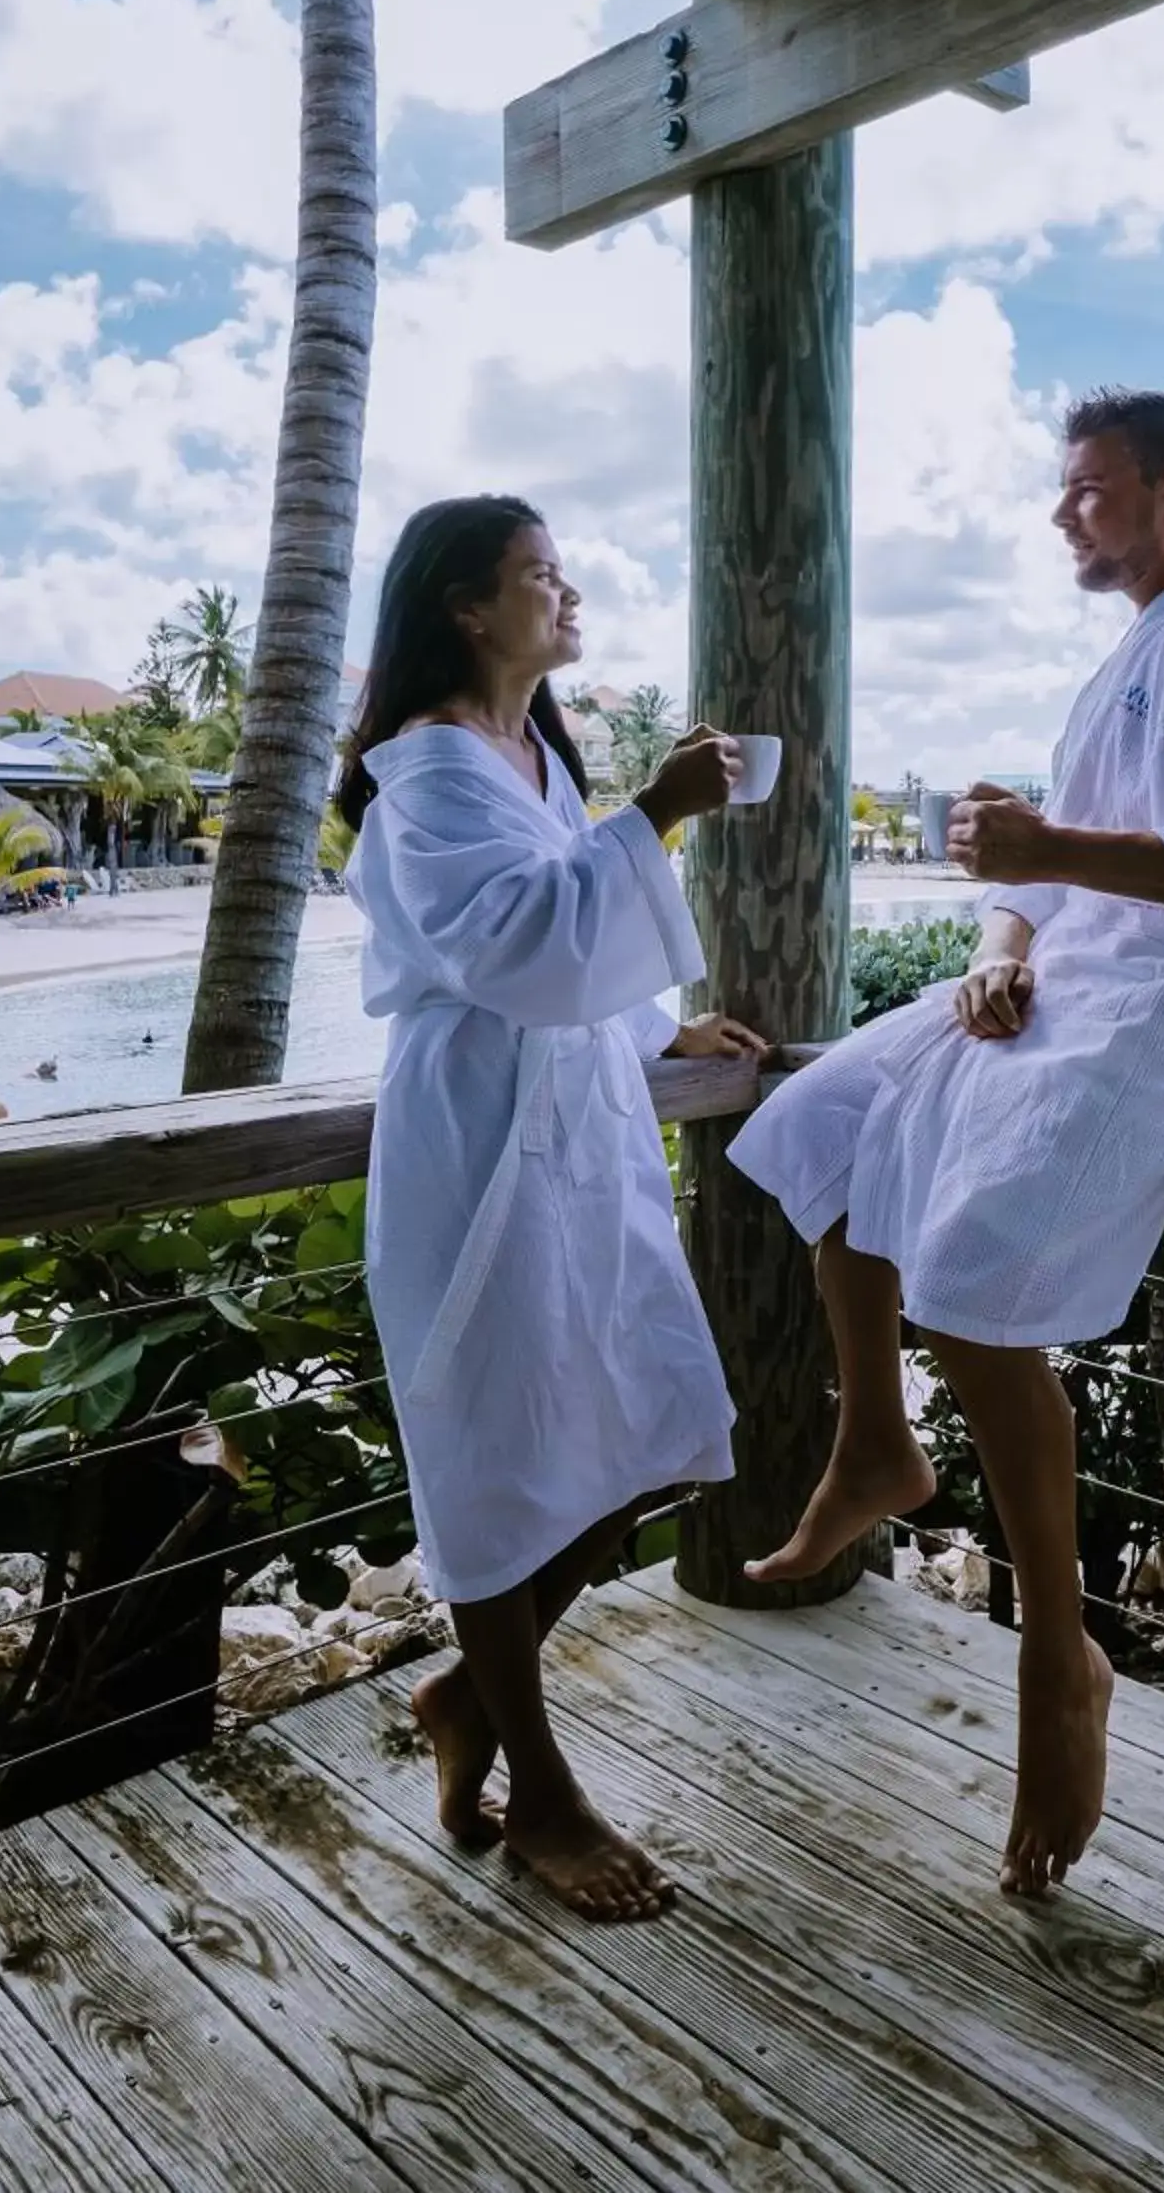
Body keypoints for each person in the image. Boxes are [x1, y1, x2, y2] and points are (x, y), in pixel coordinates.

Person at [728, 390, 1164, 1899]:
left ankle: (1055, 1655)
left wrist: (1044, 861)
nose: (1063, 515)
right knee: (823, 1117)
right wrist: (1003, 938)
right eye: (1064, 493)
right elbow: (1053, 869)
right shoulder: (1126, 661)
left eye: (1088, 492)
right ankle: (877, 1442)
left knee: (974, 1264)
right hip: (1070, 987)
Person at [339, 493, 765, 1920]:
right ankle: (543, 1787)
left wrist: (661, 1032)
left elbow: (557, 927)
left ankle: (468, 1693)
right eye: (541, 576)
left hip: (576, 1132)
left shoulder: (523, 754)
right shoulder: (434, 766)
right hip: (477, 1146)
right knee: (495, 1456)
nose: (567, 595)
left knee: (658, 1428)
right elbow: (514, 940)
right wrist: (660, 810)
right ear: (467, 607)